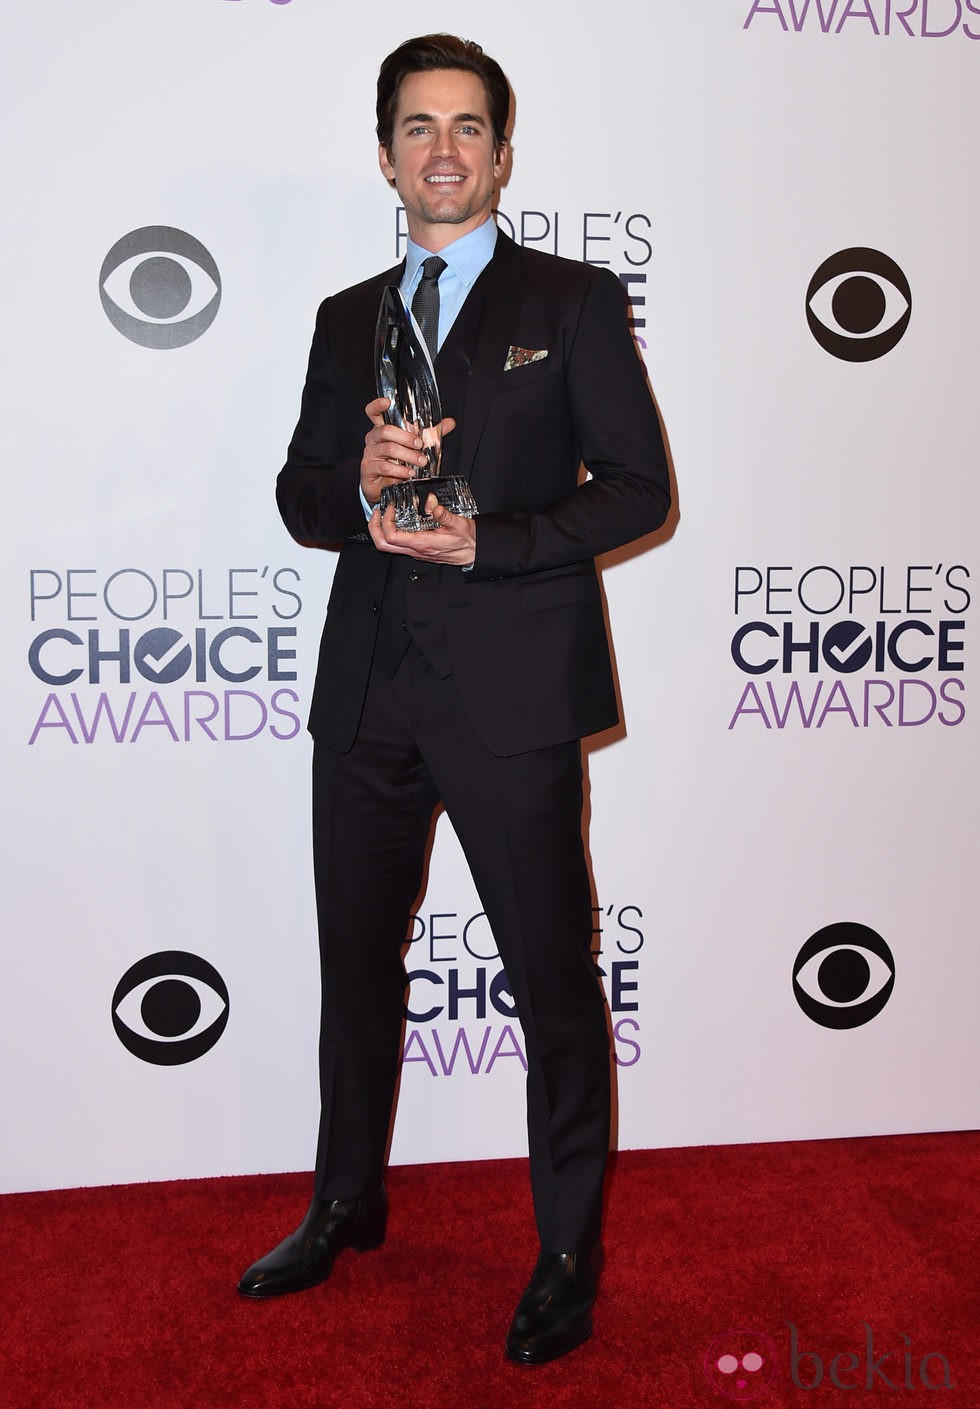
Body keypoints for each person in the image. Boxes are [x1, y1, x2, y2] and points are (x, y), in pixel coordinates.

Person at [238, 34, 670, 1365]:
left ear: (500, 150)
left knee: (550, 975)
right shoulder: (342, 318)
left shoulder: (578, 302)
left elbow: (638, 487)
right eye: (416, 127)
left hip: (513, 694)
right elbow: (300, 495)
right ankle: (345, 1200)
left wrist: (497, 541)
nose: (442, 149)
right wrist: (363, 486)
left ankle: (564, 1247)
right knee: (357, 964)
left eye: (467, 126)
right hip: (367, 692)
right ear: (384, 155)